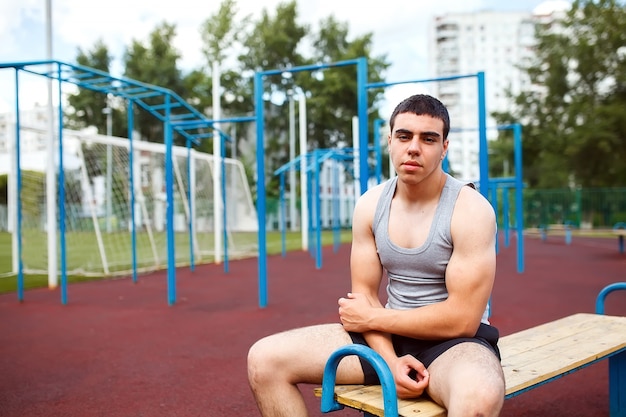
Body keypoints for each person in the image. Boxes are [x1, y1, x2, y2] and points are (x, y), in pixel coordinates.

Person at [247, 94, 505, 417]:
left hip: (453, 345)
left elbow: (463, 319)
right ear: (390, 141)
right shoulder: (370, 205)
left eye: (428, 138)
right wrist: (389, 360)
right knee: (264, 360)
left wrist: (374, 318)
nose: (414, 147)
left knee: (480, 397)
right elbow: (365, 297)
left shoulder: (471, 210)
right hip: (386, 339)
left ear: (445, 148)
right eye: (404, 136)